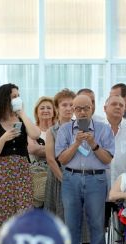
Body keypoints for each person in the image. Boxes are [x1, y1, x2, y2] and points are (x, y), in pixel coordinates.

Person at [55, 93, 114, 244]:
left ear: (92, 109)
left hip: (96, 179)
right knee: (71, 225)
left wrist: (93, 143)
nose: (81, 112)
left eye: (85, 108)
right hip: (71, 178)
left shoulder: (104, 130)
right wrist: (76, 143)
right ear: (73, 110)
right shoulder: (65, 130)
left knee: (97, 225)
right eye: (78, 109)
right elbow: (62, 159)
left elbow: (108, 159)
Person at [0, 83, 41, 244]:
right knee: (0, 216)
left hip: (22, 172)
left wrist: (22, 113)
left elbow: (36, 133)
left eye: (18, 95)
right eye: (13, 96)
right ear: (4, 99)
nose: (17, 98)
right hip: (2, 173)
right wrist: (3, 138)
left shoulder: (22, 120)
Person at [44, 88, 75, 219]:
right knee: (58, 217)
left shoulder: (81, 127)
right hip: (58, 176)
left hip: (78, 177)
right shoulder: (52, 131)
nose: (68, 108)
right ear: (57, 108)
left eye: (71, 105)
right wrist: (64, 179)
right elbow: (50, 159)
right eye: (64, 105)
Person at [27, 96, 55, 208]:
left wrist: (42, 148)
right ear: (36, 112)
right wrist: (53, 149)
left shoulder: (58, 129)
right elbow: (32, 149)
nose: (45, 110)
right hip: (36, 178)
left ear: (54, 111)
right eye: (42, 108)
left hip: (54, 175)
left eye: (49, 108)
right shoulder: (31, 129)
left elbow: (63, 151)